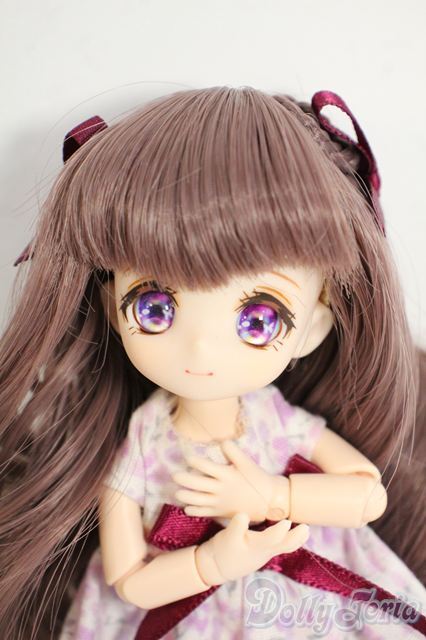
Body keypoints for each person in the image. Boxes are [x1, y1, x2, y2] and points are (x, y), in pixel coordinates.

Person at [0, 86, 424, 640]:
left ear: (312, 327)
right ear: (112, 311)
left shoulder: (277, 422)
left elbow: (367, 495)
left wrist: (272, 496)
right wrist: (214, 562)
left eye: (258, 319)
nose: (200, 348)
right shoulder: (143, 445)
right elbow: (129, 581)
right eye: (155, 308)